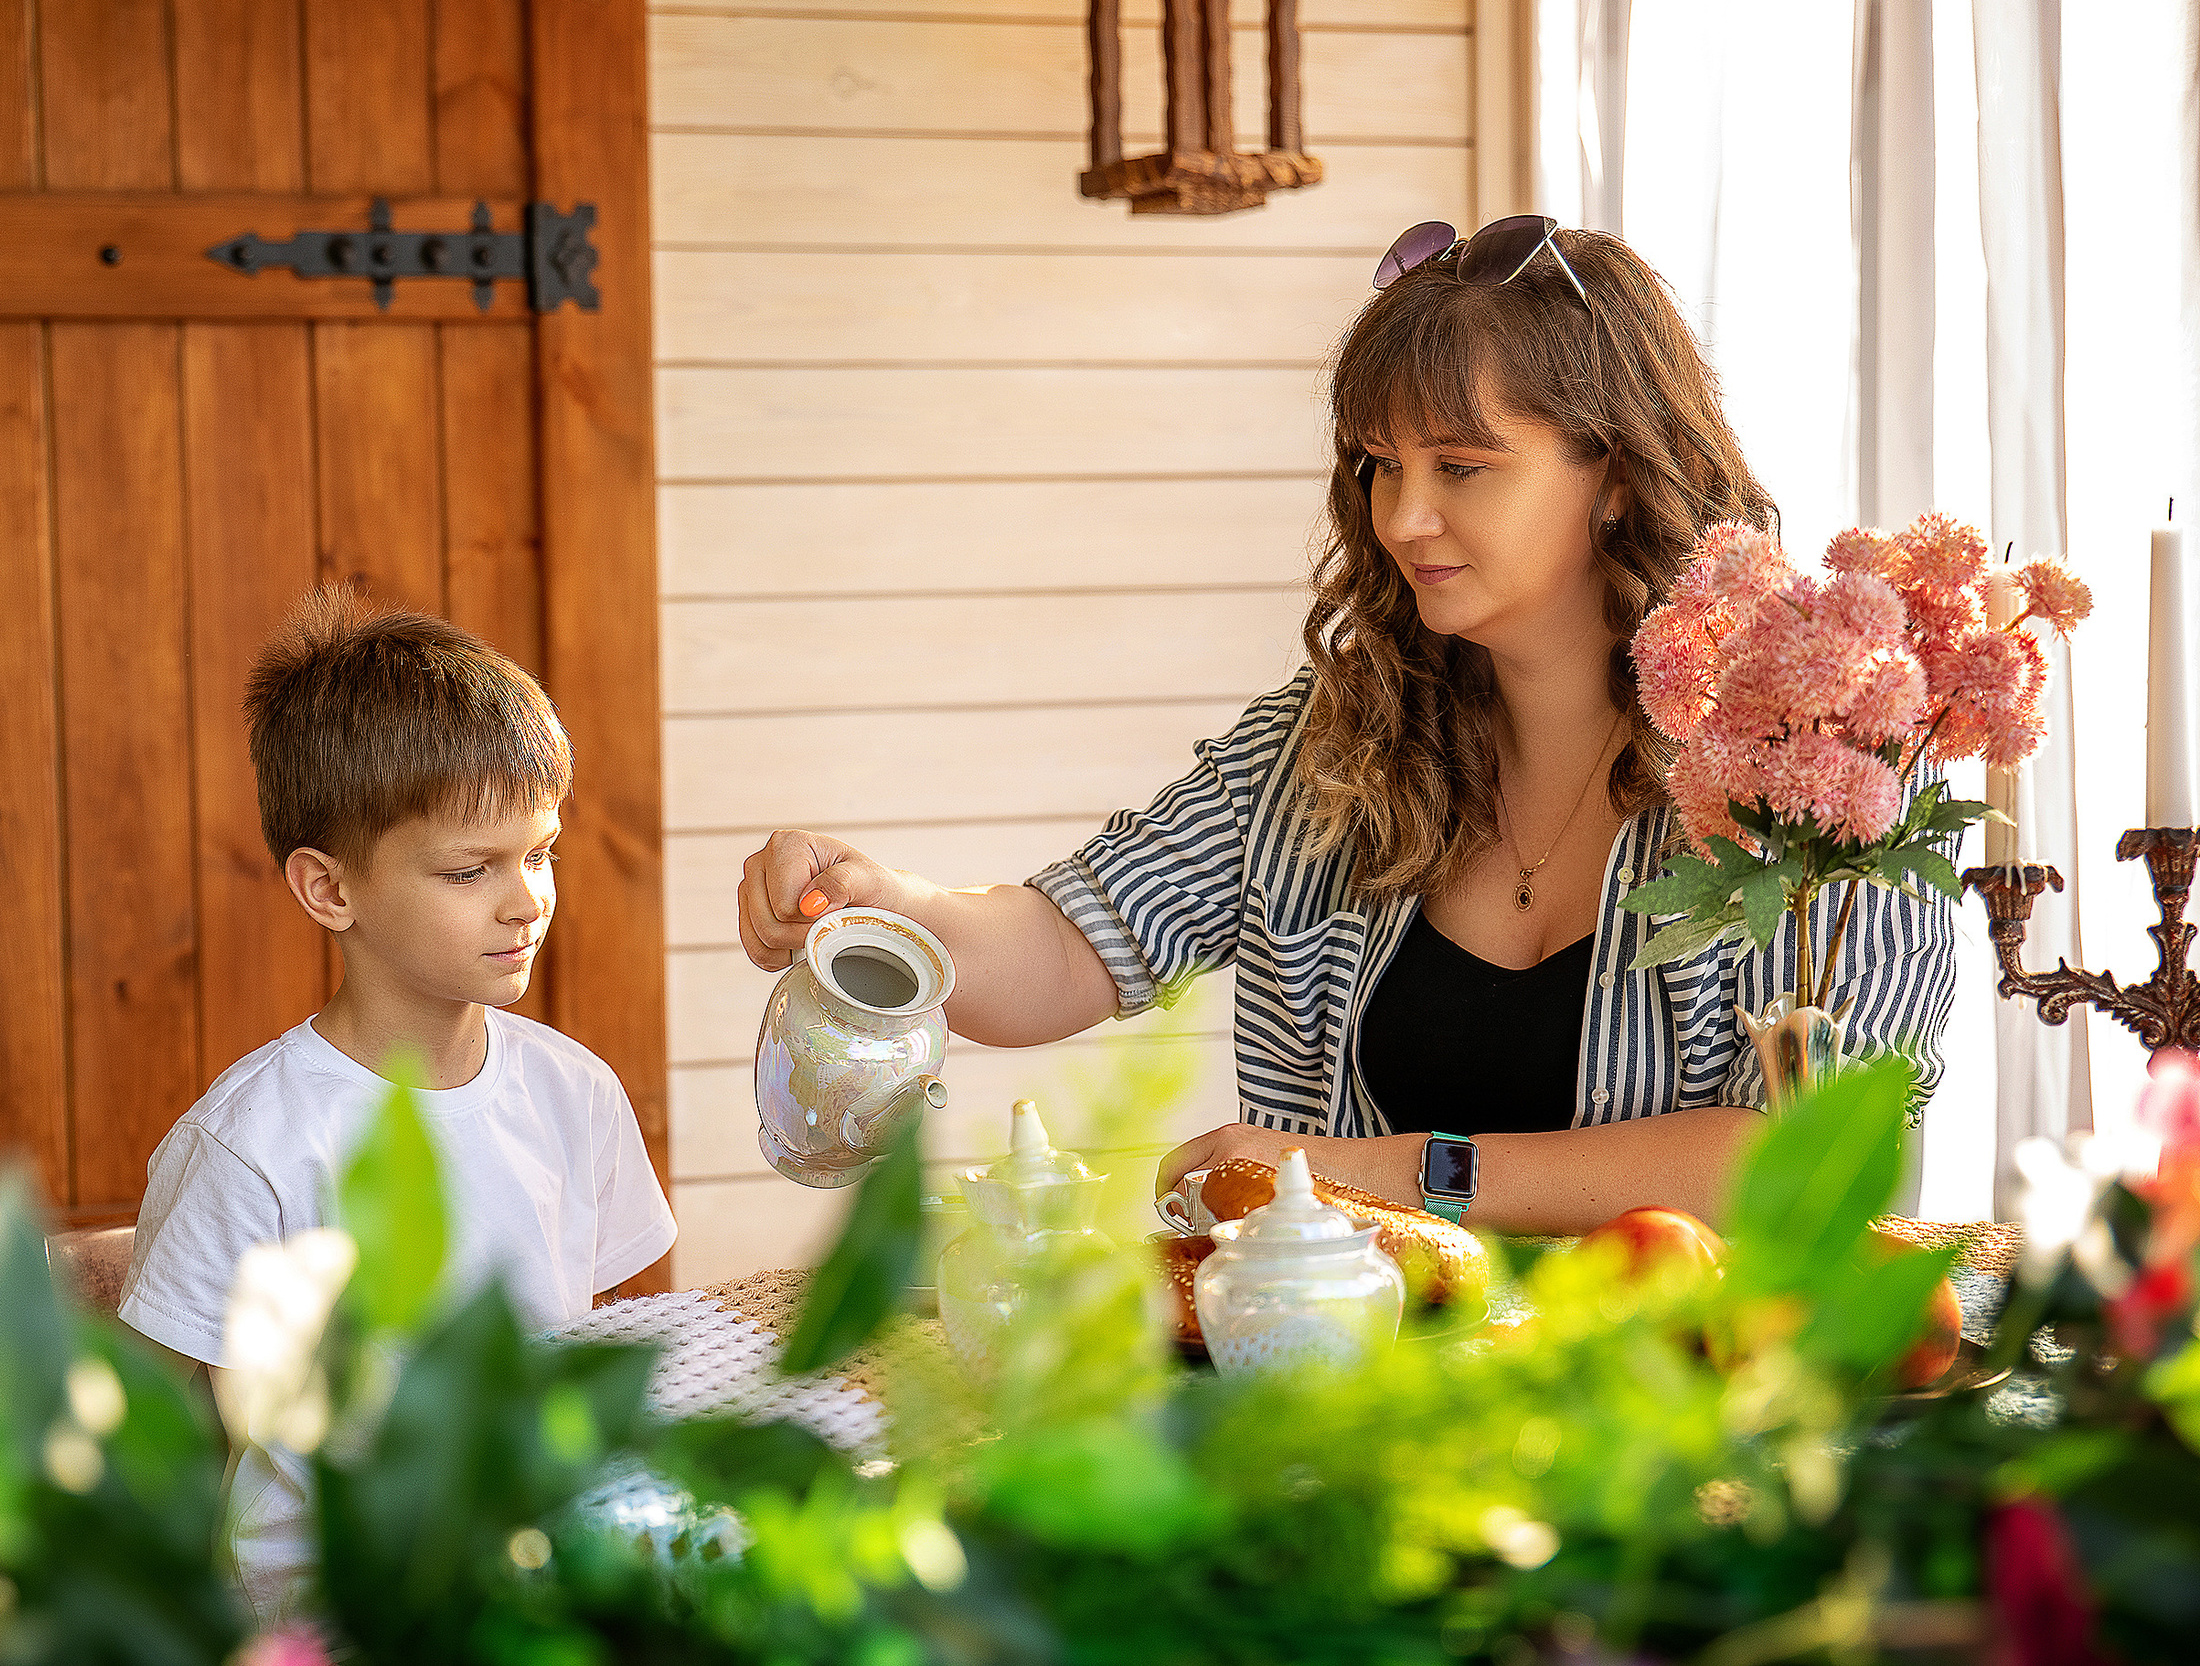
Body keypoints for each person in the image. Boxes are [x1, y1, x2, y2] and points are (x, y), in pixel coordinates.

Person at [737, 218, 1954, 1236]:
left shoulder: (1819, 775)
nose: (1403, 516)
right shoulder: (1328, 747)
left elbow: (1817, 1162)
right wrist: (888, 903)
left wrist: (1383, 1175)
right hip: (1361, 1396)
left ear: (1618, 474)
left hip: (1697, 1392)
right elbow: (1063, 950)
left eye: (1460, 467)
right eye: (1379, 463)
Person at [119, 587, 674, 1618]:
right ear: (330, 890)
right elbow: (137, 1445)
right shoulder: (253, 1144)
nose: (527, 899)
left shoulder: (575, 1091)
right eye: (470, 870)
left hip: (527, 1582)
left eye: (540, 853)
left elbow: (590, 1353)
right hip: (322, 1612)